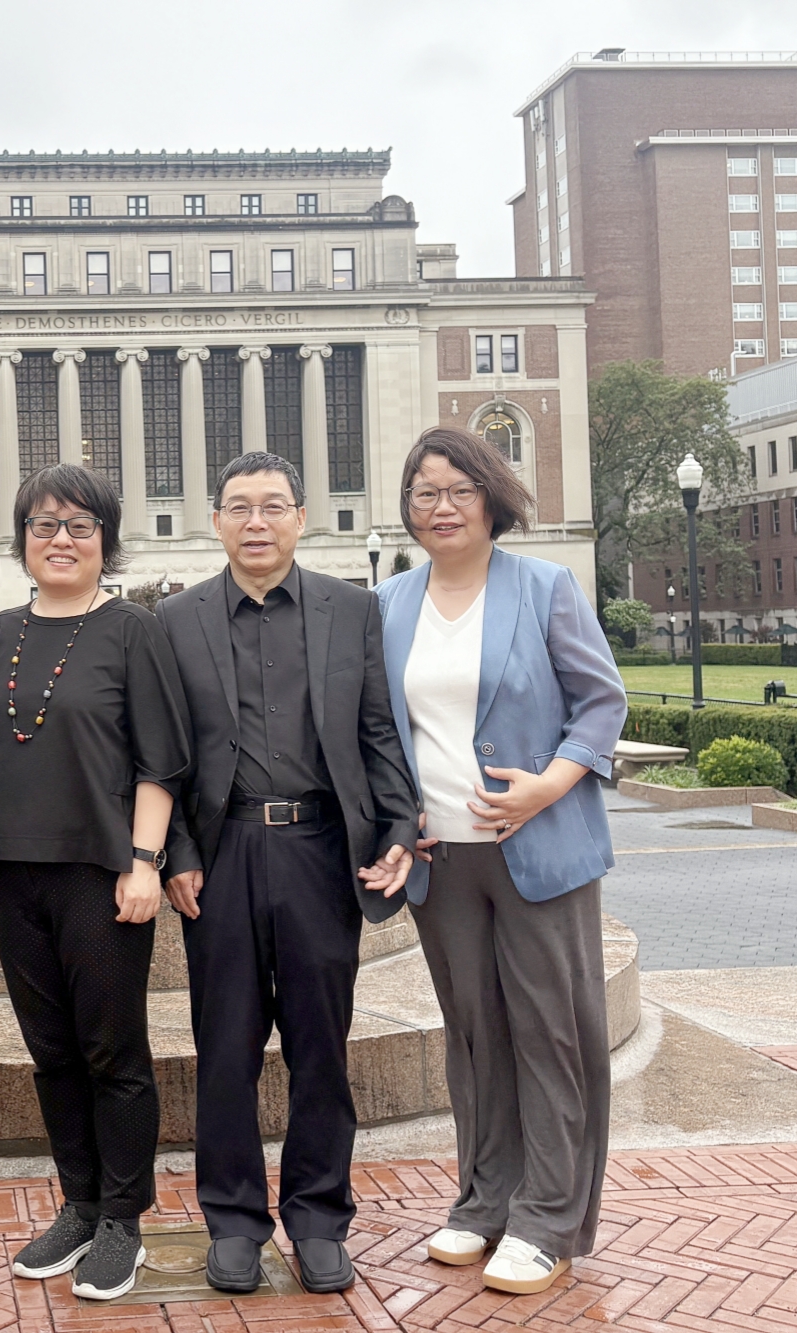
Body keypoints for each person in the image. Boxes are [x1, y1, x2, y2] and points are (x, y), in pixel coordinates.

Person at [156, 452, 419, 1297]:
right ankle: (234, 1223)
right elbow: (161, 752)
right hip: (222, 854)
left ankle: (318, 1218)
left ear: (301, 518)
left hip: (320, 852)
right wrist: (177, 854)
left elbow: (378, 730)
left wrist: (400, 825)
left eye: (273, 506)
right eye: (240, 507)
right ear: (216, 521)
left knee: (320, 1047)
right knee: (224, 1049)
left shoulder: (353, 609)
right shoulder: (177, 619)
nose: (257, 522)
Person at [372, 426, 626, 1296]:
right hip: (443, 862)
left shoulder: (544, 587)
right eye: (425, 492)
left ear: (491, 497)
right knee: (476, 1037)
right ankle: (484, 1201)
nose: (441, 507)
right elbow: (382, 729)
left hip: (537, 850)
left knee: (550, 1033)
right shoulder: (390, 602)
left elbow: (601, 703)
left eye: (459, 490)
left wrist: (544, 787)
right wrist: (399, 814)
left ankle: (548, 1219)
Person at [0, 465, 191, 1301]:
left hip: (103, 875)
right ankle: (81, 1203)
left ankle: (123, 1218)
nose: (60, 539)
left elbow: (160, 759)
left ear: (106, 538)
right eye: (43, 523)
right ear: (22, 537)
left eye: (79, 525)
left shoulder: (133, 629)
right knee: (52, 1052)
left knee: (112, 1049)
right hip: (14, 875)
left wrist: (145, 861)